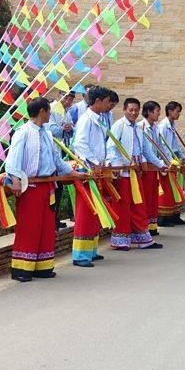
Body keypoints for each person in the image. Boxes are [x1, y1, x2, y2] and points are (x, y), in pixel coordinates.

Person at [4, 97, 76, 281]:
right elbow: (13, 159)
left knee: (46, 226)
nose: (50, 114)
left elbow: (56, 160)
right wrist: (15, 180)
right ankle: (22, 268)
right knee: (29, 226)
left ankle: (43, 266)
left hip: (48, 185)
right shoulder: (23, 132)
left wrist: (73, 172)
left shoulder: (47, 134)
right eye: (49, 111)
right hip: (31, 186)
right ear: (42, 112)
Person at [107, 97, 163, 251]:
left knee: (138, 205)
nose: (133, 113)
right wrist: (119, 166)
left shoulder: (138, 128)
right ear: (124, 110)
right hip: (123, 173)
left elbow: (146, 151)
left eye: (136, 110)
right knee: (122, 207)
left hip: (136, 172)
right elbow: (111, 147)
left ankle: (143, 238)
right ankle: (121, 240)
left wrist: (161, 165)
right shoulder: (119, 125)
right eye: (130, 110)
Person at [71, 86, 115, 267]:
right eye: (106, 101)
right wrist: (95, 162)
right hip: (88, 171)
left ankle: (91, 250)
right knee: (86, 213)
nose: (108, 105)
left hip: (97, 170)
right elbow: (79, 144)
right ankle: (81, 254)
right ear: (97, 101)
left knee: (95, 213)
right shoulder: (86, 120)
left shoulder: (98, 119)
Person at [138, 101, 172, 237]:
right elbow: (146, 151)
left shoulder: (155, 127)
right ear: (149, 112)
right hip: (147, 166)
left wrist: (168, 161)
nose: (158, 114)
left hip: (155, 165)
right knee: (146, 197)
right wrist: (160, 163)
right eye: (157, 111)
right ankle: (144, 227)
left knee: (153, 197)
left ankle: (152, 226)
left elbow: (160, 146)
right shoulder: (142, 126)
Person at [156, 101, 185, 227]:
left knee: (176, 189)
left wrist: (182, 157)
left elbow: (175, 145)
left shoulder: (172, 125)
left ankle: (175, 215)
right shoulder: (163, 126)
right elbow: (162, 145)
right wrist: (169, 160)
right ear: (170, 111)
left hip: (173, 161)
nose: (179, 114)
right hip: (166, 162)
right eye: (177, 111)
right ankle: (163, 218)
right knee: (166, 191)